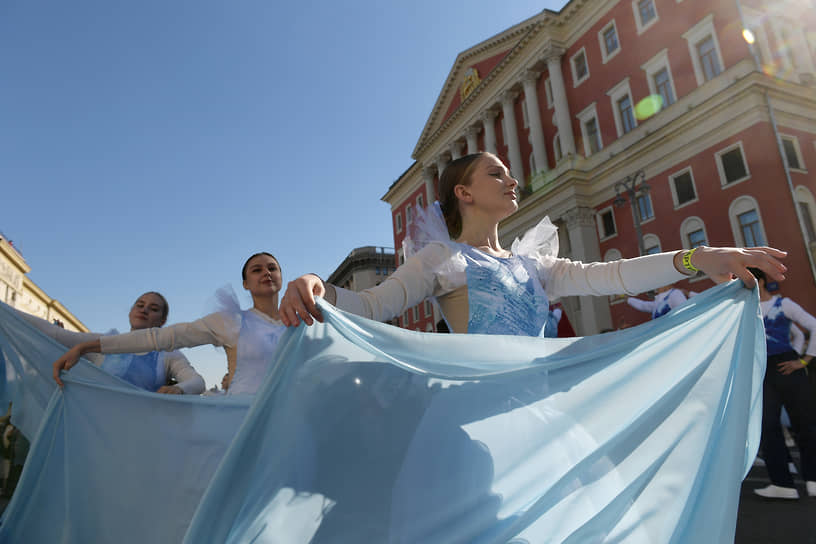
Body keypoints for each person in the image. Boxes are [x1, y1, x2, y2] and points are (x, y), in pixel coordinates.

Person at [279, 152, 786, 335]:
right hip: (482, 412)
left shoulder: (534, 264)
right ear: (464, 192)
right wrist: (316, 286)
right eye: (496, 173)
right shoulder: (442, 259)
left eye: (509, 173)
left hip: (543, 403)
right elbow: (372, 305)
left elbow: (611, 276)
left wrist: (697, 257)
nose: (512, 180)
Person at [52, 253, 285, 396]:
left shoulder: (298, 322)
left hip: (289, 417)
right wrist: (85, 347)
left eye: (272, 268)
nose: (266, 272)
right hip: (243, 417)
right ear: (245, 284)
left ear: (281, 276)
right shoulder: (231, 321)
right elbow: (156, 338)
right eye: (257, 269)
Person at [20, 292, 204, 394]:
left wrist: (179, 389)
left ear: (162, 321)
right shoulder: (102, 343)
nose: (145, 310)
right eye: (140, 305)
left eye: (153, 308)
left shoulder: (168, 354)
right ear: (131, 312)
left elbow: (196, 381)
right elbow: (56, 334)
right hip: (95, 429)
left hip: (141, 432)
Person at [748, 267, 816, 499]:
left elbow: (813, 326)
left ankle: (813, 479)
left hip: (787, 365)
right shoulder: (746, 311)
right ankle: (783, 484)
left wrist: (803, 360)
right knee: (767, 426)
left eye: (748, 281)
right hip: (762, 369)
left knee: (805, 423)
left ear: (761, 281)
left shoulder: (784, 304)